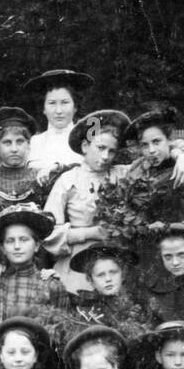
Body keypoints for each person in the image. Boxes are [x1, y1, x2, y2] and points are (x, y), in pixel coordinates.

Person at [42, 109, 131, 293]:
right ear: (84, 147)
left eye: (112, 151)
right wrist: (92, 232)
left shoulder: (122, 174)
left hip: (115, 260)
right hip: (78, 261)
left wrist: (180, 155)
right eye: (100, 148)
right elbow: (49, 232)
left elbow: (156, 158)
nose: (106, 156)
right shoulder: (68, 180)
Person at [0, 203, 65, 328]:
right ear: (3, 248)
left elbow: (62, 329)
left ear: (37, 245)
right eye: (10, 241)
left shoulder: (51, 285)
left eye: (24, 239)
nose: (17, 246)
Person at [0, 107, 50, 217]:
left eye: (20, 142)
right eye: (7, 143)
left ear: (28, 144)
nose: (14, 149)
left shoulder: (40, 176)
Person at [24, 69, 94, 176]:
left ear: (75, 107)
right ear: (43, 108)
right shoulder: (35, 142)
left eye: (65, 103)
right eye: (52, 103)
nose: (58, 111)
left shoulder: (87, 141)